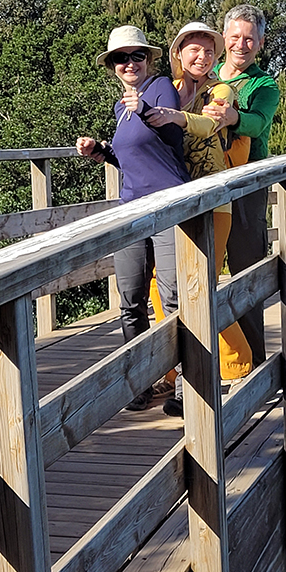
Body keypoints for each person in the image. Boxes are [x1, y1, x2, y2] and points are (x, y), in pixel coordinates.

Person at [76, 25, 189, 415]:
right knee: (131, 301)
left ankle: (184, 388)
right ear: (112, 66)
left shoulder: (160, 88)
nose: (129, 63)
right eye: (120, 58)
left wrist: (143, 109)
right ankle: (140, 383)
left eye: (136, 56)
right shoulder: (119, 108)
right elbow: (131, 159)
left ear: (148, 59)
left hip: (168, 206)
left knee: (173, 299)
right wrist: (101, 151)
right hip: (132, 210)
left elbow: (172, 137)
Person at [145, 22, 252, 391]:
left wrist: (176, 117)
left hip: (213, 199)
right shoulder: (167, 90)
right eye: (194, 49)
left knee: (202, 283)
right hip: (176, 198)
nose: (203, 57)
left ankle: (236, 364)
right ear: (178, 54)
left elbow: (209, 124)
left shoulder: (220, 90)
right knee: (162, 284)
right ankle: (172, 368)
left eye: (209, 51)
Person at [200, 5, 280, 365]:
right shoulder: (206, 72)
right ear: (224, 37)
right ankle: (209, 363)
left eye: (249, 38)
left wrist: (233, 116)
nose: (241, 44)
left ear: (260, 43)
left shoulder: (264, 85)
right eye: (234, 37)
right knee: (200, 271)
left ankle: (255, 364)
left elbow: (259, 122)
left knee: (246, 270)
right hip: (205, 181)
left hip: (247, 183)